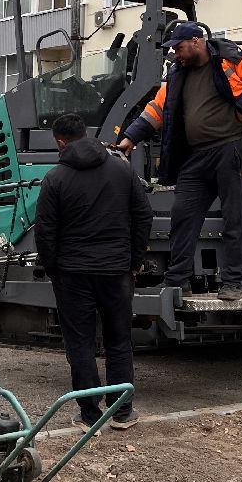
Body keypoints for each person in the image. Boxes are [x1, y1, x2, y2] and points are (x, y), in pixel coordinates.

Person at [115, 21, 242, 302]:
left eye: (178, 48)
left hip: (229, 149)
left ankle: (232, 282)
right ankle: (178, 280)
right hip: (195, 157)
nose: (175, 54)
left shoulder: (231, 60)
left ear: (196, 41)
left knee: (234, 218)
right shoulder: (178, 76)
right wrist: (130, 138)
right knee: (183, 216)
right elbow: (157, 109)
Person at [35, 112, 153, 430]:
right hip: (116, 271)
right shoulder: (121, 168)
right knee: (118, 340)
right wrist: (134, 260)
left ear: (61, 142)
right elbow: (143, 215)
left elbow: (45, 231)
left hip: (73, 274)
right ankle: (123, 411)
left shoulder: (55, 178)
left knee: (80, 343)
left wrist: (52, 267)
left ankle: (89, 415)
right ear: (85, 134)